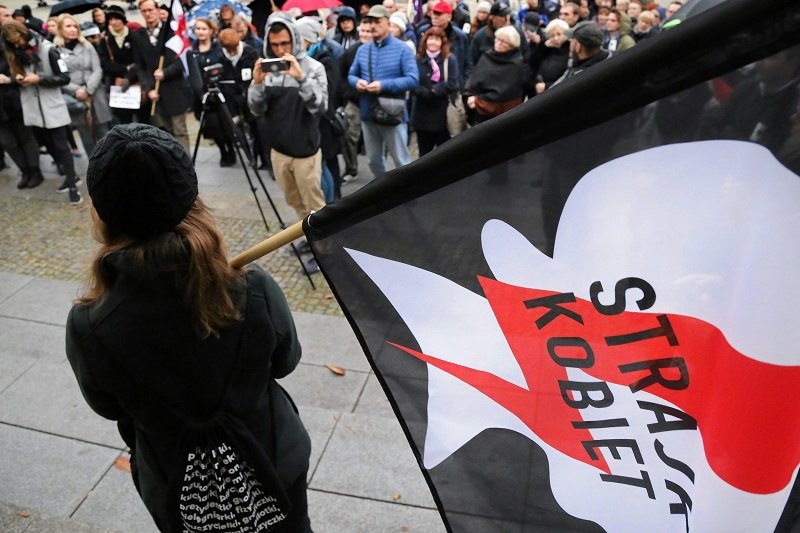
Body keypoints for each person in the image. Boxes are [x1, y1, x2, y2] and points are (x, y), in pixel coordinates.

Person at [66, 123, 313, 533]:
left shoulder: (88, 324)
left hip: (174, 479)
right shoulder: (252, 289)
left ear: (103, 213)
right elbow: (286, 361)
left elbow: (107, 405)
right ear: (190, 198)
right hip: (274, 455)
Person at [248, 13, 327, 270]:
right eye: (275, 45)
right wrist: (256, 84)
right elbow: (255, 110)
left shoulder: (314, 68)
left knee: (315, 205)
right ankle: (308, 234)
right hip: (279, 149)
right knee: (294, 201)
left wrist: (301, 78)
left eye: (285, 43)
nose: (281, 50)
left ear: (294, 40)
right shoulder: (269, 71)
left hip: (305, 150)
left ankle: (324, 248)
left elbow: (320, 107)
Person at [1, 20, 81, 203]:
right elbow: (21, 77)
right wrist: (14, 79)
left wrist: (39, 79)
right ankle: (71, 177)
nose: (18, 44)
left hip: (51, 107)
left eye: (19, 40)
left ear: (24, 34)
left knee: (61, 145)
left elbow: (64, 78)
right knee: (47, 144)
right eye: (13, 43)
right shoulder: (16, 53)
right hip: (32, 108)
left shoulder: (48, 49)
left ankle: (72, 184)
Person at [348, 5, 419, 179]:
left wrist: (383, 85)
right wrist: (358, 82)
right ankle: (384, 193)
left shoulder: (403, 49)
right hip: (368, 112)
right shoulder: (363, 49)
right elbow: (351, 74)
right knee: (373, 160)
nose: (373, 25)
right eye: (370, 21)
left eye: (377, 21)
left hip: (392, 113)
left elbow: (412, 79)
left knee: (401, 160)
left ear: (388, 23)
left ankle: (409, 196)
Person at [131, 0, 193, 151]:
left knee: (180, 131)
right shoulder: (138, 36)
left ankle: (185, 163)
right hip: (156, 93)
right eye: (144, 11)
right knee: (165, 132)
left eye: (150, 10)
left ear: (158, 10)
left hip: (174, 90)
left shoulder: (171, 31)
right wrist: (148, 88)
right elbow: (140, 66)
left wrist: (165, 72)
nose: (148, 14)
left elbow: (181, 60)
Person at [54, 14, 112, 157]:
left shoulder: (87, 45)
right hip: (75, 98)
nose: (73, 29)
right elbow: (59, 77)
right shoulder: (56, 50)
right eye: (68, 26)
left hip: (95, 94)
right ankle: (95, 170)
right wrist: (77, 91)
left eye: (75, 26)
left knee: (104, 134)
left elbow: (97, 69)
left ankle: (112, 166)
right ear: (60, 29)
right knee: (86, 136)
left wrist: (88, 89)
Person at [0, 12, 43, 189]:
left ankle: (35, 171)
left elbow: (25, 65)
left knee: (25, 137)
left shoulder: (9, 40)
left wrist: (9, 78)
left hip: (14, 99)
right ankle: (24, 171)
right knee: (8, 142)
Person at [464, 25, 527, 125]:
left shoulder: (516, 64)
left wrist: (478, 101)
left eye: (503, 41)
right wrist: (471, 95)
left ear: (512, 45)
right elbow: (475, 78)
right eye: (497, 39)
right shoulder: (487, 56)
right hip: (479, 114)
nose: (498, 43)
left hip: (503, 115)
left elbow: (503, 92)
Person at [412, 26, 458, 156]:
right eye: (430, 38)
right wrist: (422, 92)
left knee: (444, 154)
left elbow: (453, 83)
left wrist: (434, 91)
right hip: (422, 113)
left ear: (442, 42)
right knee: (424, 154)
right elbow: (412, 81)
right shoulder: (417, 59)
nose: (433, 42)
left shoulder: (450, 60)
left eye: (437, 39)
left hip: (442, 113)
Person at [98, 5, 142, 125]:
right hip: (117, 86)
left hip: (137, 82)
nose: (114, 22)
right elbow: (105, 64)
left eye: (116, 18)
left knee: (144, 120)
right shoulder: (105, 40)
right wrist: (124, 69)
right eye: (110, 19)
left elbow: (140, 61)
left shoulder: (135, 36)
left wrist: (129, 77)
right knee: (125, 123)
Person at [340, 21, 372, 180]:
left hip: (376, 102)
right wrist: (350, 93)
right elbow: (343, 76)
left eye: (369, 31)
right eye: (363, 31)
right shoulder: (352, 51)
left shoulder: (381, 50)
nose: (365, 34)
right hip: (354, 101)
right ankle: (351, 169)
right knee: (348, 135)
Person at [416, 1, 472, 89]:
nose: (434, 16)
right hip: (424, 88)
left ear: (449, 17)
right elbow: (417, 56)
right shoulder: (422, 32)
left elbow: (468, 63)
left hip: (452, 87)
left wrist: (463, 85)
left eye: (439, 14)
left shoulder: (460, 36)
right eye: (433, 13)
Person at [529, 18, 570, 95]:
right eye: (552, 35)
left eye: (559, 34)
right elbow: (532, 63)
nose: (556, 38)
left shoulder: (570, 51)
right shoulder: (546, 48)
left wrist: (547, 86)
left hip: (557, 91)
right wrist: (543, 46)